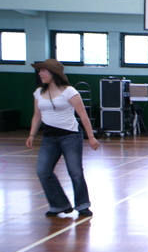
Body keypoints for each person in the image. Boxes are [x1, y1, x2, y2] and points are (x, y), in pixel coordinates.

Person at [26, 59, 100, 218]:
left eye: (43, 71)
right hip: (49, 138)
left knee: (75, 172)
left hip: (70, 136)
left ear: (53, 73)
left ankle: (83, 205)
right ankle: (59, 205)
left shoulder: (69, 91)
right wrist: (32, 134)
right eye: (39, 71)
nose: (40, 74)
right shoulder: (39, 92)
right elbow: (37, 115)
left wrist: (91, 137)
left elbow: (83, 115)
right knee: (43, 171)